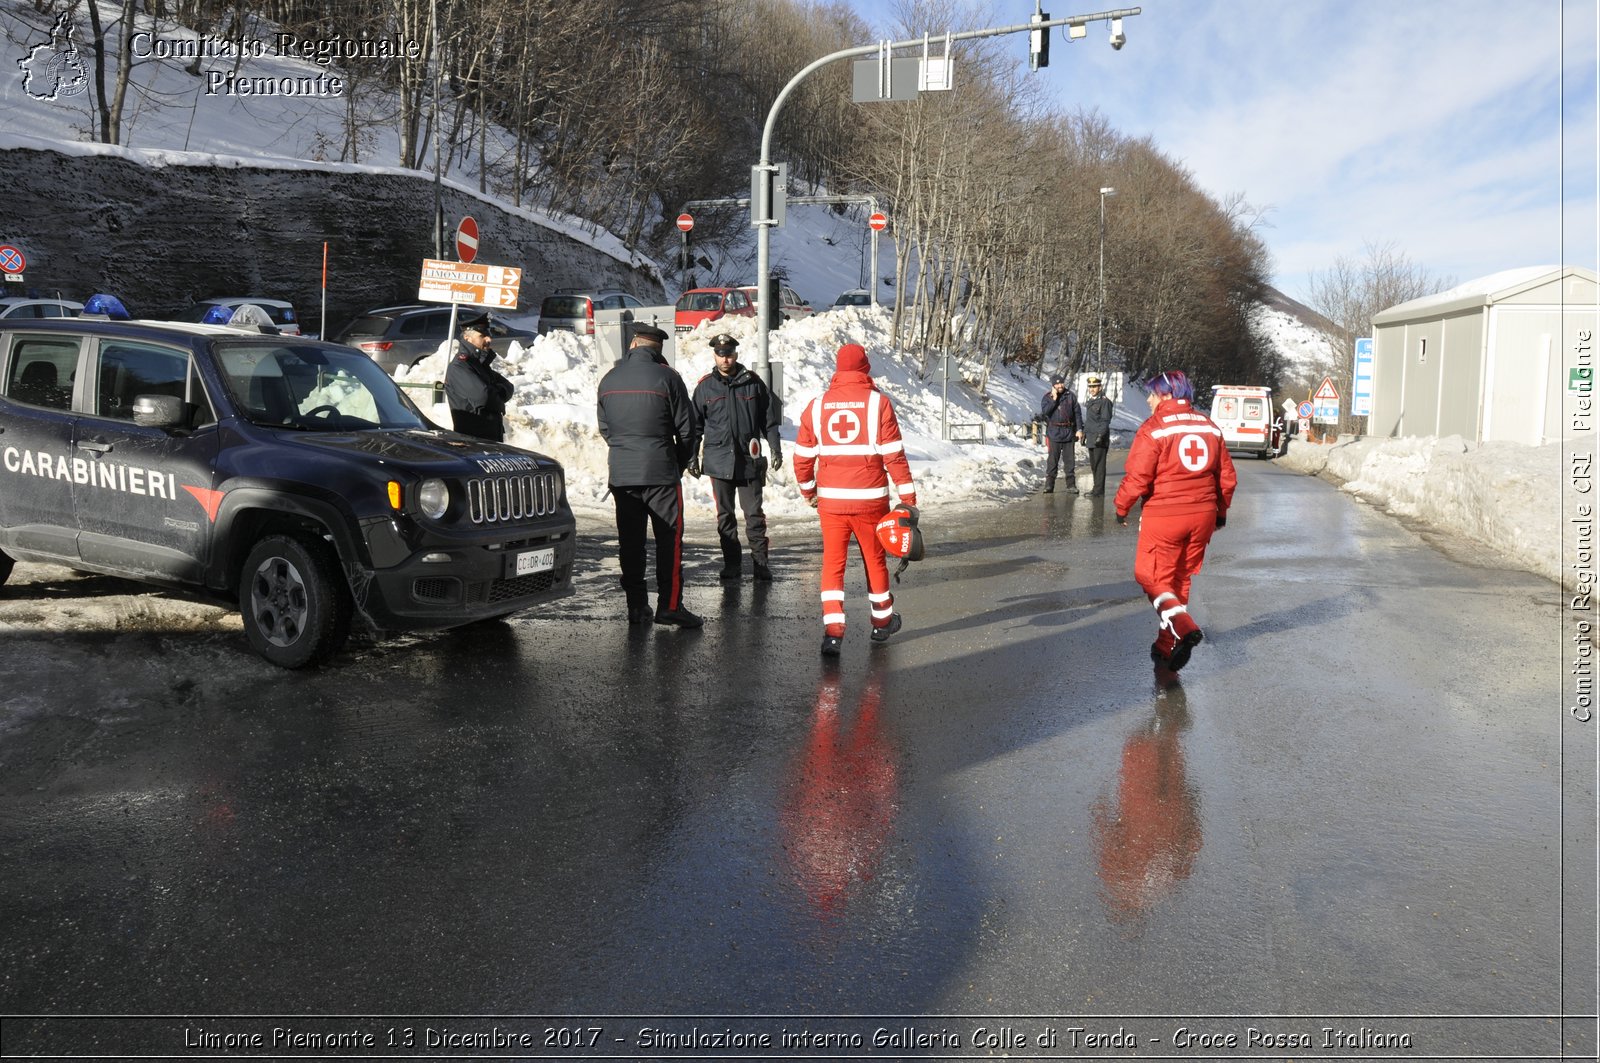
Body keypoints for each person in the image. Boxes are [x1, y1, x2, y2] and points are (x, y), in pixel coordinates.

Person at [793, 343, 917, 656]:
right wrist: (908, 498)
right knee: (875, 561)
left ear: (838, 369)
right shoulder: (879, 404)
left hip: (832, 503)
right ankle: (882, 622)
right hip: (870, 501)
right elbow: (894, 457)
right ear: (864, 369)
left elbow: (802, 457)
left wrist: (809, 492)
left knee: (832, 565)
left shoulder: (817, 405)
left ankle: (833, 633)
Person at [1113, 370, 1237, 673]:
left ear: (1167, 394)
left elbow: (1139, 477)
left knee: (1149, 576)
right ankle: (1166, 645)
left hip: (1165, 515)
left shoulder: (1153, 428)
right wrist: (1219, 512)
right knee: (1179, 580)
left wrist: (1121, 507)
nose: (1149, 399)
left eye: (1153, 394)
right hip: (1203, 515)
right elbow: (1227, 478)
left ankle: (1183, 625)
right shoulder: (1210, 426)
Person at [597, 323, 703, 627]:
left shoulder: (609, 379)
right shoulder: (668, 378)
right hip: (661, 474)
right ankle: (669, 607)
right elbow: (687, 430)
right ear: (658, 350)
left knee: (630, 544)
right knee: (669, 541)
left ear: (633, 345)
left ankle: (636, 607)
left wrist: (625, 452)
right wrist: (677, 463)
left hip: (622, 475)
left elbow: (606, 429)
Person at [690, 333, 783, 582]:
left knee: (754, 514)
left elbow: (769, 421)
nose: (725, 359)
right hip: (718, 462)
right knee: (725, 516)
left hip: (748, 461)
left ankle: (760, 564)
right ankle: (732, 564)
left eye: (729, 354)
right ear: (714, 355)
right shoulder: (705, 387)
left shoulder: (753, 383)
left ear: (736, 354)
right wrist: (692, 456)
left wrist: (775, 447)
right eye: (720, 355)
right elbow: (695, 427)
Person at [444, 312, 514, 441]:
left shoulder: (479, 364)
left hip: (491, 438)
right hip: (473, 441)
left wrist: (493, 391)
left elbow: (509, 387)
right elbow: (483, 396)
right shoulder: (460, 367)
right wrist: (494, 392)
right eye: (482, 336)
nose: (489, 339)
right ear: (467, 338)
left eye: (489, 335)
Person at [1038, 374, 1080, 493]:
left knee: (1069, 461)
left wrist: (1079, 429)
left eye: (1061, 383)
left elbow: (1077, 414)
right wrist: (1054, 399)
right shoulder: (1047, 397)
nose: (1059, 385)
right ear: (1053, 386)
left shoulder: (1070, 396)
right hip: (1054, 433)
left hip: (1068, 432)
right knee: (1052, 460)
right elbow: (1046, 412)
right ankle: (1049, 485)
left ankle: (1071, 485)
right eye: (1057, 384)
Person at [1078, 374, 1115, 497]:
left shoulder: (1105, 402)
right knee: (1094, 464)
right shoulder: (1091, 401)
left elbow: (1105, 420)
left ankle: (1098, 490)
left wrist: (1100, 435)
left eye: (1095, 386)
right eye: (1090, 387)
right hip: (1091, 437)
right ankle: (1096, 488)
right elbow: (1090, 420)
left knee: (1099, 465)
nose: (1092, 389)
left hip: (1100, 438)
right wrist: (1084, 434)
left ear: (1100, 387)